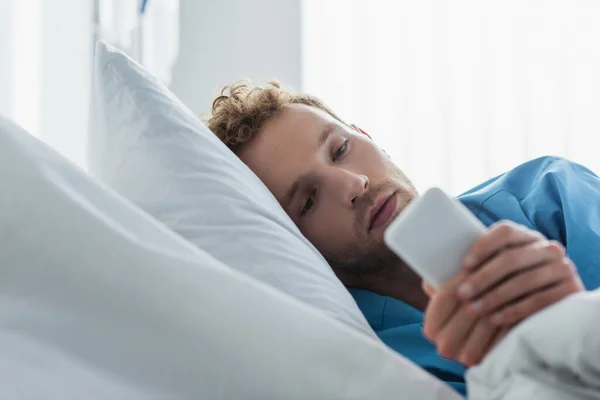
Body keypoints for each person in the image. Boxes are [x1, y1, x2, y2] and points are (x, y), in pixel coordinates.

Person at [205, 80, 599, 396]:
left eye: (341, 149)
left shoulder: (551, 192)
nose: (353, 184)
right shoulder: (370, 366)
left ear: (368, 136)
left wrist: (571, 315)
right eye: (308, 201)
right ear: (290, 241)